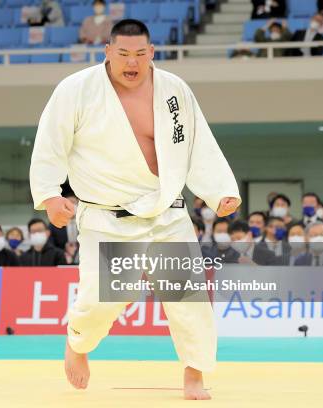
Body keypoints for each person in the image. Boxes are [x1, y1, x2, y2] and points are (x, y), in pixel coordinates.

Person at [29, 19, 241, 399]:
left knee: (188, 297)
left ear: (152, 53)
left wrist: (219, 190)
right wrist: (49, 196)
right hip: (108, 214)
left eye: (140, 54)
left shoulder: (174, 90)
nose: (132, 63)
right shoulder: (77, 90)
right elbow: (50, 144)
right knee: (102, 298)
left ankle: (194, 374)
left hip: (168, 211)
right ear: (107, 51)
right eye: (123, 53)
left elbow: (198, 144)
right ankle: (78, 343)